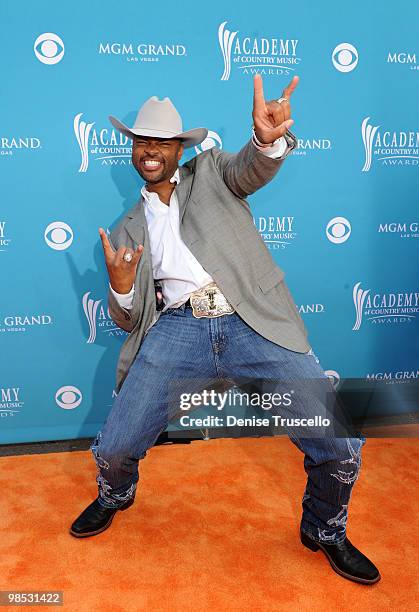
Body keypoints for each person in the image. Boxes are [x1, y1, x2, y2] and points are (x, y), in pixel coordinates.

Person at [70, 75, 380, 585]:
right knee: (114, 448)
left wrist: (264, 139)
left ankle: (324, 529)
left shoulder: (211, 172)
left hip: (249, 320)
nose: (151, 150)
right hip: (178, 330)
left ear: (178, 149)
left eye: (162, 142)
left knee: (340, 442)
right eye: (142, 141)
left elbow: (251, 169)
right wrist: (121, 288)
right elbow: (127, 320)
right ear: (133, 149)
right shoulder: (125, 228)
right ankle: (115, 495)